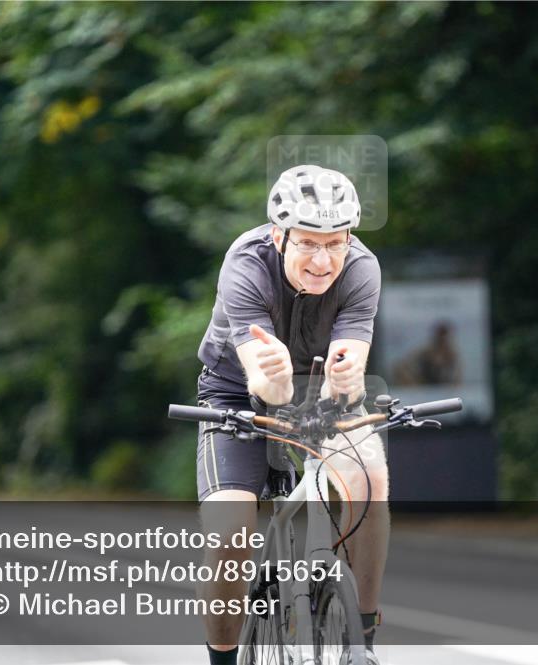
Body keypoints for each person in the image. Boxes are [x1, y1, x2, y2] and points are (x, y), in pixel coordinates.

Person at [193, 165, 387, 665]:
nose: (324, 260)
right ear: (279, 236)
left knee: (368, 478)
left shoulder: (362, 269)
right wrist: (275, 374)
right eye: (308, 243)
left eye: (336, 243)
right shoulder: (246, 264)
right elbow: (265, 384)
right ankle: (222, 658)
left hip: (319, 388)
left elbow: (350, 362)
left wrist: (347, 382)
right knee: (231, 530)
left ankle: (363, 636)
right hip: (237, 391)